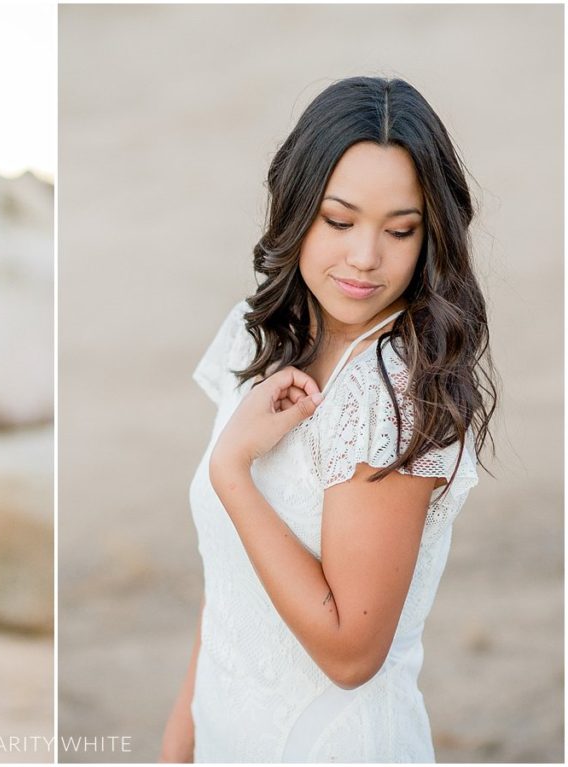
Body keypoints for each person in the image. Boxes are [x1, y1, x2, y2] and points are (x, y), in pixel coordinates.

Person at [159, 77, 497, 762]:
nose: (366, 258)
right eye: (339, 221)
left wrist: (233, 471)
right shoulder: (256, 336)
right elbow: (231, 585)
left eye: (400, 230)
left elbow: (350, 651)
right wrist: (178, 744)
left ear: (431, 236)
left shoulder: (397, 391)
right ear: (296, 208)